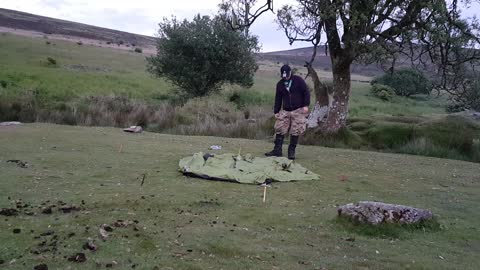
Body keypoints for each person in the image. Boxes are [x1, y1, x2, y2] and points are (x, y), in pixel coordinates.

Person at [265, 64, 310, 160]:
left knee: (295, 130)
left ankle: (291, 152)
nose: (285, 78)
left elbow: (306, 92)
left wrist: (306, 105)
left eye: (287, 76)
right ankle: (277, 151)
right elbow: (278, 98)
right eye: (283, 76)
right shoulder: (280, 84)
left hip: (298, 110)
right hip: (285, 110)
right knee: (279, 128)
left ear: (290, 73)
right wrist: (276, 111)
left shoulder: (298, 80)